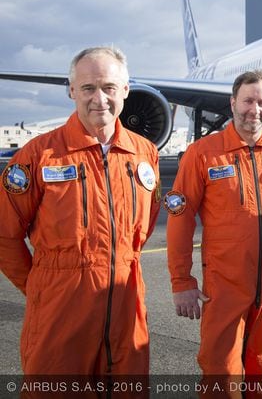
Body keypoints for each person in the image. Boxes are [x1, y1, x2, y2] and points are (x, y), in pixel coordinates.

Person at [0, 46, 161, 375]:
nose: (99, 99)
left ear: (126, 91)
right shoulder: (38, 156)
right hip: (59, 312)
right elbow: (4, 235)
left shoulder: (145, 154)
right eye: (88, 88)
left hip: (126, 308)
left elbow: (145, 224)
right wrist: (41, 286)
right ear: (72, 91)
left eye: (109, 88)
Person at [166, 69, 262, 376]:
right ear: (233, 103)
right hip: (224, 282)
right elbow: (179, 217)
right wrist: (181, 281)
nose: (255, 110)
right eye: (248, 101)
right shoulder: (203, 154)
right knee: (221, 369)